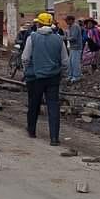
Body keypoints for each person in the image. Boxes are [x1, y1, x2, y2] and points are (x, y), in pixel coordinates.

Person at [22, 12, 68, 146]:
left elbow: (25, 58)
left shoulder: (32, 38)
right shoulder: (59, 39)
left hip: (35, 78)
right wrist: (62, 74)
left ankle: (32, 131)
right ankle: (54, 138)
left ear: (39, 24)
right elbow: (65, 61)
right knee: (53, 106)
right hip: (53, 78)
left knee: (34, 104)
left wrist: (27, 70)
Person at [64, 14, 84, 84]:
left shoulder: (75, 26)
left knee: (75, 62)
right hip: (73, 47)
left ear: (71, 20)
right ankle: (71, 75)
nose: (66, 22)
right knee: (70, 62)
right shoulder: (70, 27)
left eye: (67, 20)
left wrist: (65, 38)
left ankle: (76, 76)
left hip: (76, 47)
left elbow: (74, 38)